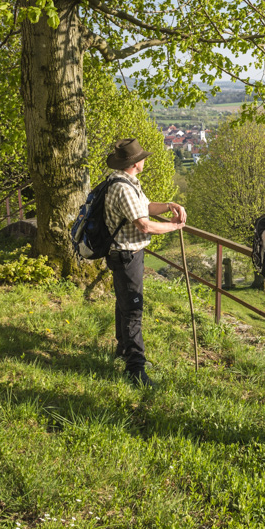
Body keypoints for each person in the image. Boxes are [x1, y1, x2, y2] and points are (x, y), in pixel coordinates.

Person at [103, 138, 187, 387]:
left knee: (124, 303)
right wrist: (173, 226)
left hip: (126, 253)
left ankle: (123, 349)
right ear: (135, 163)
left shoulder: (128, 182)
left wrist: (170, 205)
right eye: (142, 157)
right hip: (126, 254)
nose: (144, 160)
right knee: (133, 310)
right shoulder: (123, 188)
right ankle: (135, 369)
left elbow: (146, 207)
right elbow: (143, 224)